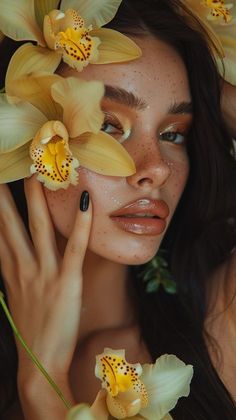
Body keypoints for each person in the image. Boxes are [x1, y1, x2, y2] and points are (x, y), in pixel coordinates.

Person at [0, 0, 236, 419]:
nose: (156, 169)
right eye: (108, 126)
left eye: (174, 133)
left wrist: (41, 382)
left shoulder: (223, 321)